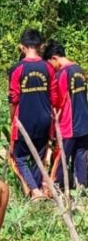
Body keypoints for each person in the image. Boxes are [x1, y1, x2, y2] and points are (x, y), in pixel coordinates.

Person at [8, 29, 57, 199]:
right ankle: (37, 191)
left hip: (24, 119)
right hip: (45, 118)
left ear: (22, 47)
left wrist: (12, 119)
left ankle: (35, 190)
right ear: (41, 46)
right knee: (40, 156)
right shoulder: (48, 67)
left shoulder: (17, 69)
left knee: (18, 157)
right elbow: (53, 96)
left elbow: (13, 98)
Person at [43, 40, 88, 189]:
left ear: (54, 58)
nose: (52, 68)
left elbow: (56, 101)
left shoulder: (62, 74)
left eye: (50, 63)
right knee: (80, 155)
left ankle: (56, 187)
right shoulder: (79, 70)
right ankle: (81, 188)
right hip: (84, 122)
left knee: (61, 158)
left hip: (69, 124)